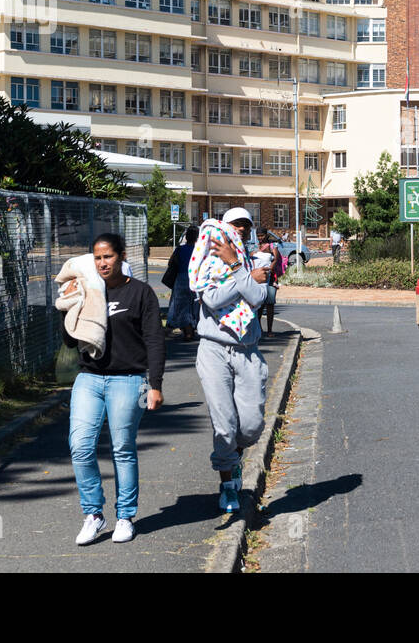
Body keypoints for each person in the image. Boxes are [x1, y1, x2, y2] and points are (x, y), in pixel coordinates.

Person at [62, 233, 165, 545]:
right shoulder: (88, 291)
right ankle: (93, 514)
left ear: (121, 256)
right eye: (97, 257)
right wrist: (67, 304)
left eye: (108, 256)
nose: (102, 263)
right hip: (89, 378)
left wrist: (156, 385)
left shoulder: (141, 293)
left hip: (128, 379)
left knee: (122, 448)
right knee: (80, 446)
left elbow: (154, 340)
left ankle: (124, 517)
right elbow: (70, 341)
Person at [190, 208, 270, 515]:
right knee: (224, 424)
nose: (241, 231)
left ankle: (233, 458)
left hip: (248, 349)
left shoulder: (251, 262)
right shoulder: (209, 259)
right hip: (214, 348)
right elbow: (212, 300)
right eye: (236, 225)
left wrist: (238, 267)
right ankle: (227, 483)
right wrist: (244, 279)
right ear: (224, 228)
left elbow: (259, 297)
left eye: (246, 227)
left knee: (250, 426)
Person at [162, 225, 200, 340]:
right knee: (194, 306)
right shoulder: (199, 250)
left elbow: (171, 263)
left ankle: (185, 330)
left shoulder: (179, 249)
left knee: (180, 306)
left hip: (181, 279)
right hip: (195, 280)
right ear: (197, 237)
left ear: (186, 237)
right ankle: (191, 329)